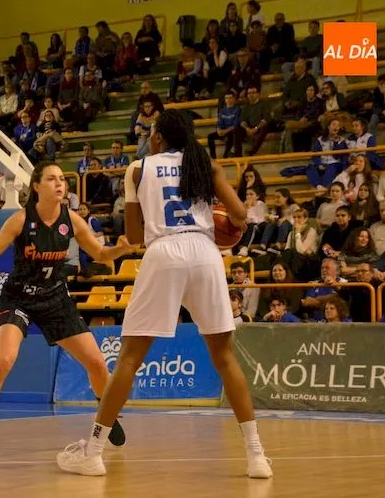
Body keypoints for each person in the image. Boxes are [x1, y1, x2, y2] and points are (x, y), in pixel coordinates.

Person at [56, 110, 272, 478]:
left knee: (129, 358)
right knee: (224, 356)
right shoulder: (207, 165)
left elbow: (135, 236)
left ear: (158, 137)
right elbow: (240, 215)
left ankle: (93, 452)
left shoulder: (138, 169)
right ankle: (257, 457)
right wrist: (217, 222)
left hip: (163, 253)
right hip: (205, 252)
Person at [0, 161, 136, 456]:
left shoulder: (72, 220)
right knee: (4, 360)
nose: (59, 184)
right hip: (19, 298)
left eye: (62, 179)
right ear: (37, 186)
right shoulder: (19, 220)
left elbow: (100, 254)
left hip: (55, 298)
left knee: (96, 362)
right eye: (52, 179)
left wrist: (121, 249)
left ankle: (107, 419)